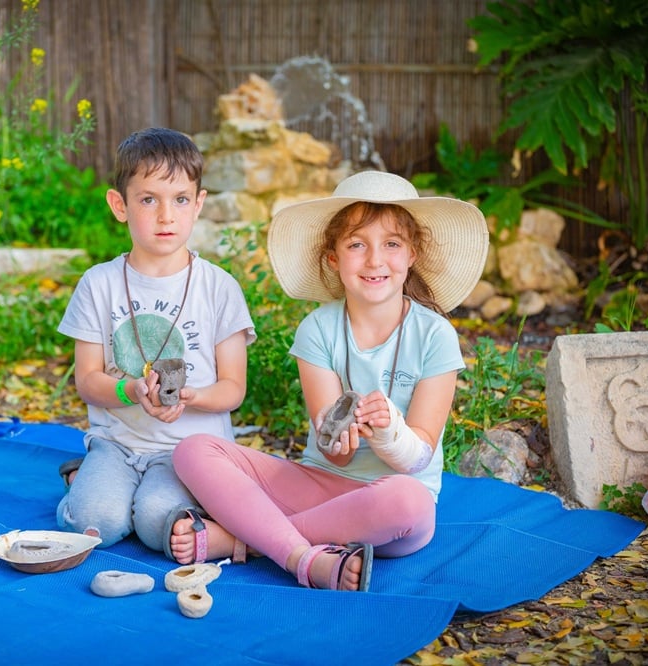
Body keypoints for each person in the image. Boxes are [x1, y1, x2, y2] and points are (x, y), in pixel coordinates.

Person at [171, 170, 489, 590]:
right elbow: (333, 452)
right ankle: (304, 555)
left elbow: (417, 458)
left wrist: (389, 430)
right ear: (334, 258)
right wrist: (340, 437)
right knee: (193, 450)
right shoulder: (318, 329)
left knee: (408, 503)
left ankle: (245, 540)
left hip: (386, 501)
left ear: (412, 254)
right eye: (357, 245)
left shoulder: (434, 335)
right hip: (319, 484)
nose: (375, 260)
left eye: (391, 244)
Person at [55, 127, 256, 560]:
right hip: (118, 442)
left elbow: (233, 388)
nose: (167, 215)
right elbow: (88, 381)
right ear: (119, 205)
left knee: (157, 524)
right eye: (149, 199)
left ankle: (131, 492)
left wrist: (193, 395)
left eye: (180, 199)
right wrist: (131, 390)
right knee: (95, 524)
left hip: (189, 450)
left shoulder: (219, 288)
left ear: (198, 203)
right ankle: (89, 478)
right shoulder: (99, 284)